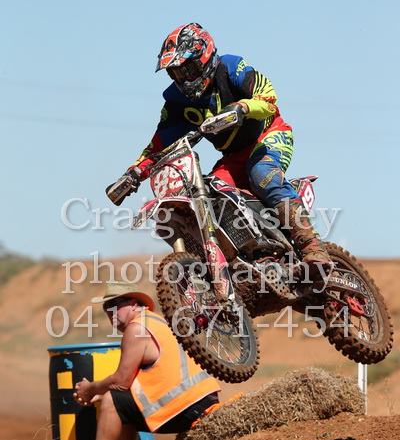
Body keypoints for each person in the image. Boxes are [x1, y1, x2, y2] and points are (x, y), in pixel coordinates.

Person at [107, 22, 331, 274]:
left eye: (188, 69)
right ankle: (248, 258)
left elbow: (269, 100)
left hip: (269, 135)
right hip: (234, 156)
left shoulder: (231, 67)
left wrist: (243, 107)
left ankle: (312, 246)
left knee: (262, 173)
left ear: (205, 58)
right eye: (176, 73)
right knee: (214, 194)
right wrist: (133, 173)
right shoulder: (176, 102)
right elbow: (158, 147)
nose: (184, 79)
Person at [71, 282, 220, 440]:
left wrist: (91, 388)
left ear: (133, 303)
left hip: (185, 404)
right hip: (200, 399)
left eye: (115, 304)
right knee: (120, 405)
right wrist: (101, 393)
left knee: (113, 400)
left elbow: (121, 382)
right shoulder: (157, 322)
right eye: (106, 307)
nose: (110, 311)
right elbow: (147, 378)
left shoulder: (136, 328)